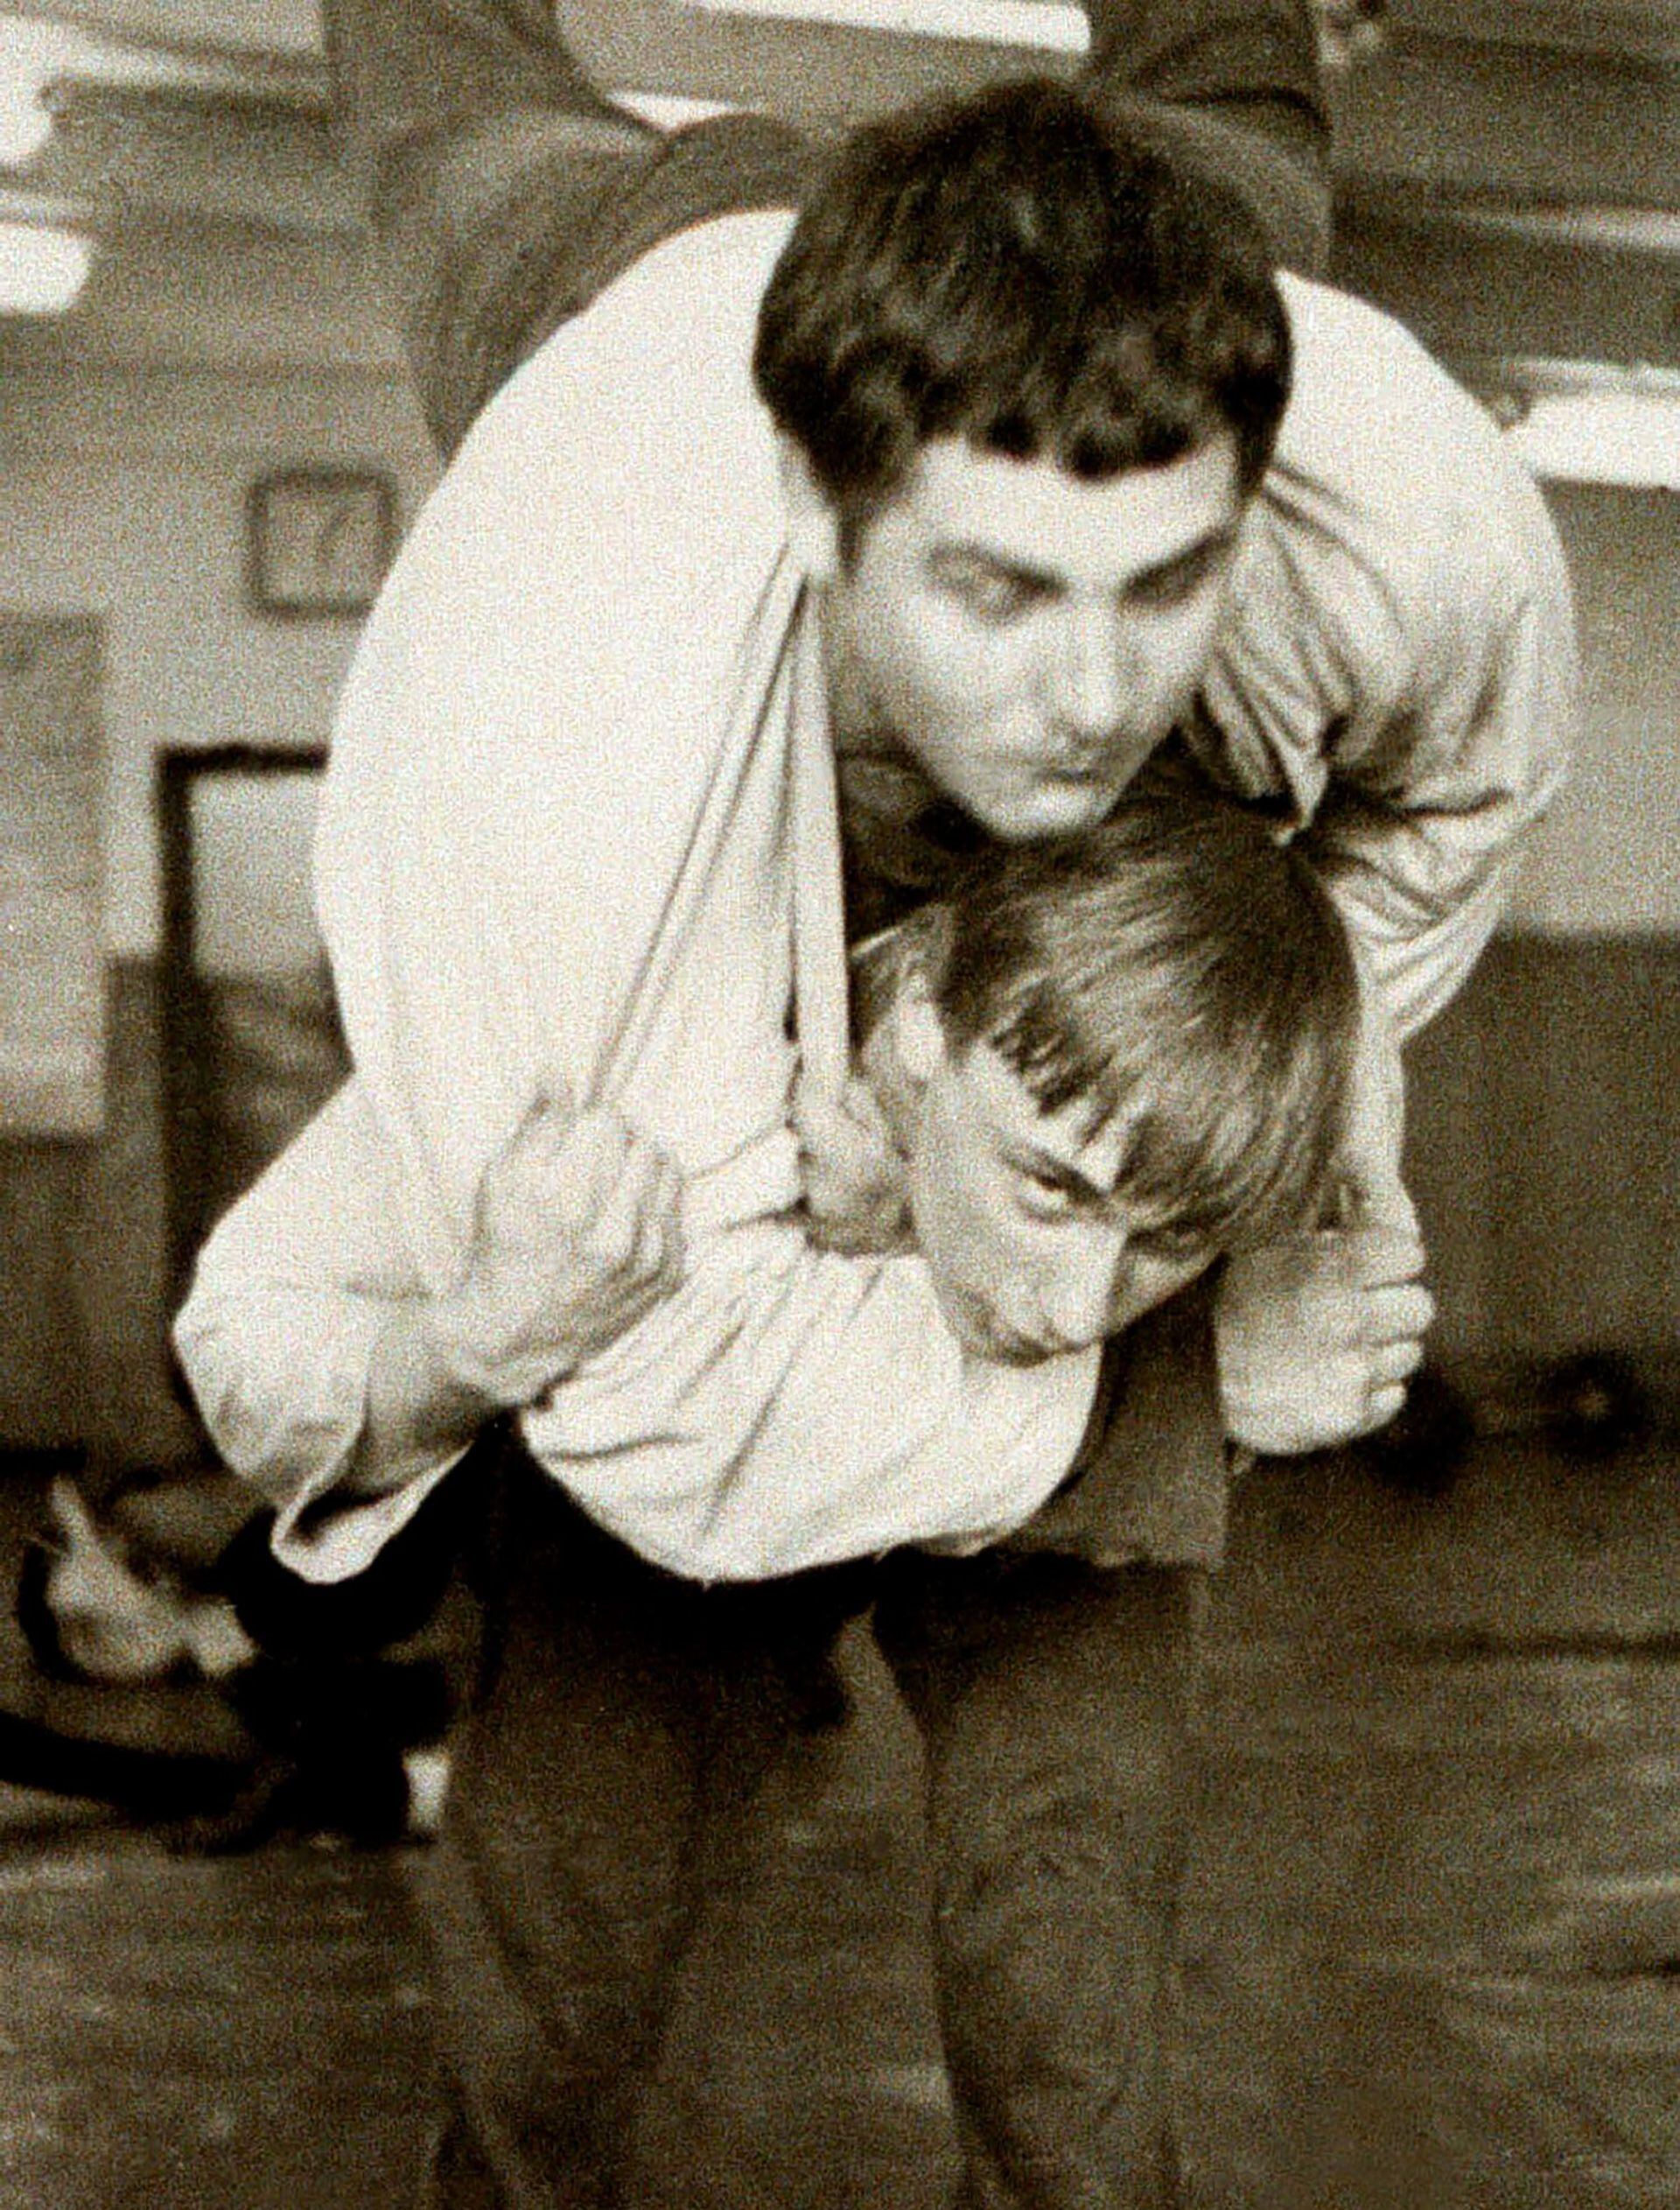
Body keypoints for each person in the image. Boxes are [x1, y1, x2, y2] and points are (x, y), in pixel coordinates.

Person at [177, 4, 1576, 2203]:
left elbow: (1426, 840)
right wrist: (1188, 1366)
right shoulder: (548, 754)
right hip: (612, 285)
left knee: (1070, 2026)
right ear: (823, 518)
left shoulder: (1403, 527)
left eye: (1164, 586)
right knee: (552, 2004)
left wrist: (1253, 1136)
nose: (1100, 693)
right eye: (1000, 592)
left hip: (1123, 305)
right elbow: (671, 1411)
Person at [178, 765, 1364, 1584]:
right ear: (915, 1024)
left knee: (1073, 1837)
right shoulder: (610, 1029)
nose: (1070, 1305)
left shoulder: (1226, 992)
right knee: (572, 1837)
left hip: (999, 1505)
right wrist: (470, 1345)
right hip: (593, 1531)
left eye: (1169, 1241)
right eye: (1049, 1187)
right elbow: (243, 1331)